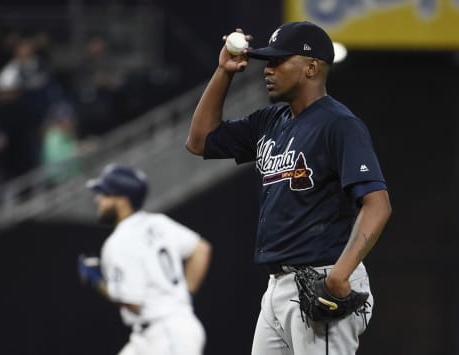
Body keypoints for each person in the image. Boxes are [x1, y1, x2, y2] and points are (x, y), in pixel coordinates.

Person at [185, 21, 392, 355]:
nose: (268, 69)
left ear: (311, 67)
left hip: (321, 278)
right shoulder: (271, 121)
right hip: (278, 286)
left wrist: (339, 276)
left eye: (279, 61)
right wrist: (224, 72)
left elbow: (377, 204)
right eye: (267, 61)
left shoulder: (339, 124)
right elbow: (200, 141)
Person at [78, 164, 211, 355]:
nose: (98, 200)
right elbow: (201, 249)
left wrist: (98, 281)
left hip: (165, 335)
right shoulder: (158, 222)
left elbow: (133, 302)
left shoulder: (118, 242)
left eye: (105, 194)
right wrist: (184, 296)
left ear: (123, 201)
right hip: (155, 334)